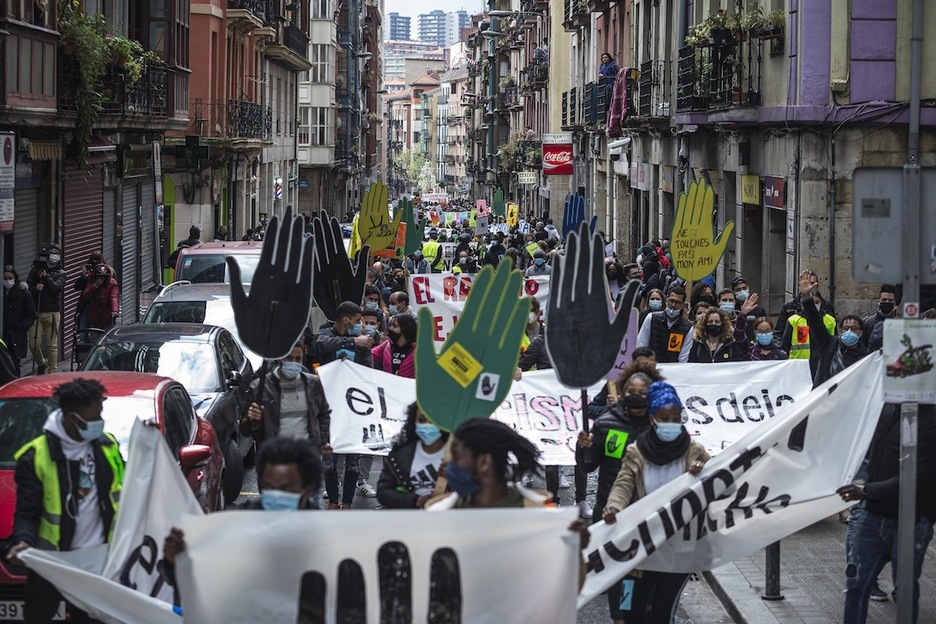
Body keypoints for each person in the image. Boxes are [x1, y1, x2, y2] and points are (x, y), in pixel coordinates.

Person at [6, 378, 124, 623]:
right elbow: (27, 511)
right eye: (95, 415)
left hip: (97, 564)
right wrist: (23, 541)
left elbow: (133, 487)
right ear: (73, 419)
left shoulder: (107, 446)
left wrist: (149, 446)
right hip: (53, 566)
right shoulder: (36, 457)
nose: (100, 421)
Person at [603, 381, 710, 624]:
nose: (671, 423)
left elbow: (721, 482)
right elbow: (623, 485)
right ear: (653, 418)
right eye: (665, 418)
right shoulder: (636, 451)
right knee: (630, 610)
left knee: (662, 614)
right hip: (639, 549)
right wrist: (613, 507)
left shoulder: (694, 451)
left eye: (676, 417)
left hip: (678, 549)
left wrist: (703, 471)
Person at [577, 363, 664, 624]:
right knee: (619, 570)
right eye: (631, 390)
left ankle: (647, 608)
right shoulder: (606, 423)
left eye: (643, 391)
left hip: (649, 511)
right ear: (623, 392)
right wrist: (584, 448)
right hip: (611, 511)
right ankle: (621, 616)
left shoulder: (661, 424)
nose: (636, 395)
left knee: (648, 569)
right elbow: (589, 465)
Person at [838, 403, 936, 624]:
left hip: (911, 522)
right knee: (856, 586)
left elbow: (915, 477)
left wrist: (865, 491)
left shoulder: (930, 420)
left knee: (905, 591)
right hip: (873, 515)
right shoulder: (888, 408)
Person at [376, 402, 448, 509]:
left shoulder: (458, 455)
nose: (427, 425)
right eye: (422, 420)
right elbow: (383, 492)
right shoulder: (399, 455)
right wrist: (417, 501)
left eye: (433, 421)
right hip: (408, 520)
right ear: (413, 421)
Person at [780, 278, 837, 379]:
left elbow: (835, 344)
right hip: (799, 368)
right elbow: (785, 347)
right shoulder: (793, 320)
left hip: (822, 366)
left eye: (817, 302)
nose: (815, 305)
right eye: (812, 303)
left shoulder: (830, 320)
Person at [27, 244, 67, 375]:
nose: (55, 257)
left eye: (57, 255)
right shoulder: (36, 270)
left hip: (52, 313)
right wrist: (35, 288)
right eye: (52, 254)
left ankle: (52, 372)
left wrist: (47, 278)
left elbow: (57, 289)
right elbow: (28, 286)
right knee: (34, 344)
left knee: (51, 344)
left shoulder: (61, 273)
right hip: (37, 312)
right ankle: (41, 363)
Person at [636, 285, 693, 363]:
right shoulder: (651, 318)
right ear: (666, 301)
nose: (673, 305)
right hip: (651, 367)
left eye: (677, 302)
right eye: (671, 301)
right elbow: (641, 344)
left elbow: (683, 357)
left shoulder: (688, 328)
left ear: (682, 305)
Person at [811, 314, 871, 387]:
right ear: (841, 331)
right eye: (846, 328)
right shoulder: (830, 346)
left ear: (860, 333)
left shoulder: (866, 358)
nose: (849, 331)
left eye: (854, 329)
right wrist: (808, 303)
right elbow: (815, 323)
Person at [3, 265, 37, 376]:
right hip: (3, 336)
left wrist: (23, 326)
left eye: (10, 278)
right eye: (5, 279)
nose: (7, 281)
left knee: (14, 365)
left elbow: (31, 314)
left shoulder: (23, 294)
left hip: (17, 336)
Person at [72, 251, 114, 332]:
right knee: (82, 332)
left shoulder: (107, 272)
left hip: (102, 306)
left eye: (98, 262)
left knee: (99, 331)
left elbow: (113, 292)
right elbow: (77, 287)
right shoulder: (88, 273)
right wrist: (84, 277)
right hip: (87, 304)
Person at [372, 313, 416, 377]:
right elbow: (370, 355)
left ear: (405, 329)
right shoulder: (386, 345)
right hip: (387, 385)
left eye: (395, 326)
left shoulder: (418, 351)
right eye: (390, 325)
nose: (390, 328)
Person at [79, 264, 120, 330]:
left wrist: (115, 310)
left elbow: (114, 297)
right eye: (100, 277)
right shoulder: (92, 282)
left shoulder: (112, 283)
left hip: (107, 317)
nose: (102, 279)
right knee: (94, 338)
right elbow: (86, 296)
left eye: (104, 277)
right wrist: (95, 286)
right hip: (94, 316)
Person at [861, 284, 898, 351]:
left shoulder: (899, 324)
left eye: (890, 300)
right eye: (884, 300)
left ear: (894, 303)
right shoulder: (867, 323)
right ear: (879, 301)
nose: (887, 302)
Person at [731, 276, 767, 341]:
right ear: (734, 292)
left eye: (744, 288)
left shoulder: (758, 310)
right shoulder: (731, 310)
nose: (742, 291)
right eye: (738, 290)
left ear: (748, 288)